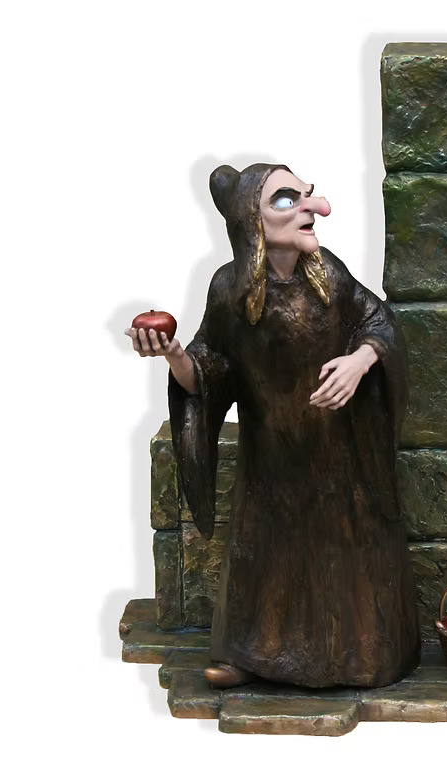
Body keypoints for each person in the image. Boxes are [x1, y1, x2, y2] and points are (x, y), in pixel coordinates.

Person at [127, 163, 419, 689]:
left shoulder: (329, 275)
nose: (312, 207)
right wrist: (173, 354)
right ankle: (251, 655)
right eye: (287, 199)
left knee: (342, 553)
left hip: (336, 452)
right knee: (264, 557)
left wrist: (361, 360)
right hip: (270, 457)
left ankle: (358, 657)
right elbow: (209, 372)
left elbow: (380, 324)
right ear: (252, 221)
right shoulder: (228, 290)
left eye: (307, 195)